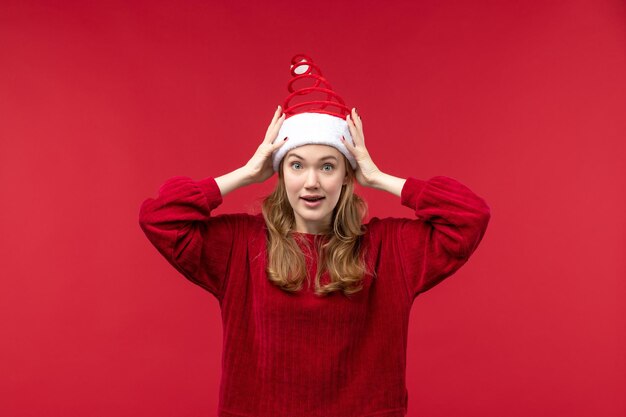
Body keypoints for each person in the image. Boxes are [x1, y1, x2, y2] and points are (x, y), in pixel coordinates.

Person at [139, 56, 491, 417]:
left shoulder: (390, 249)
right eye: (296, 165)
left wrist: (377, 176)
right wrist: (246, 172)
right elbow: (160, 216)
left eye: (327, 166)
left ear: (345, 176)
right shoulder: (239, 246)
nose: (311, 182)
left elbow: (469, 215)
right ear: (279, 173)